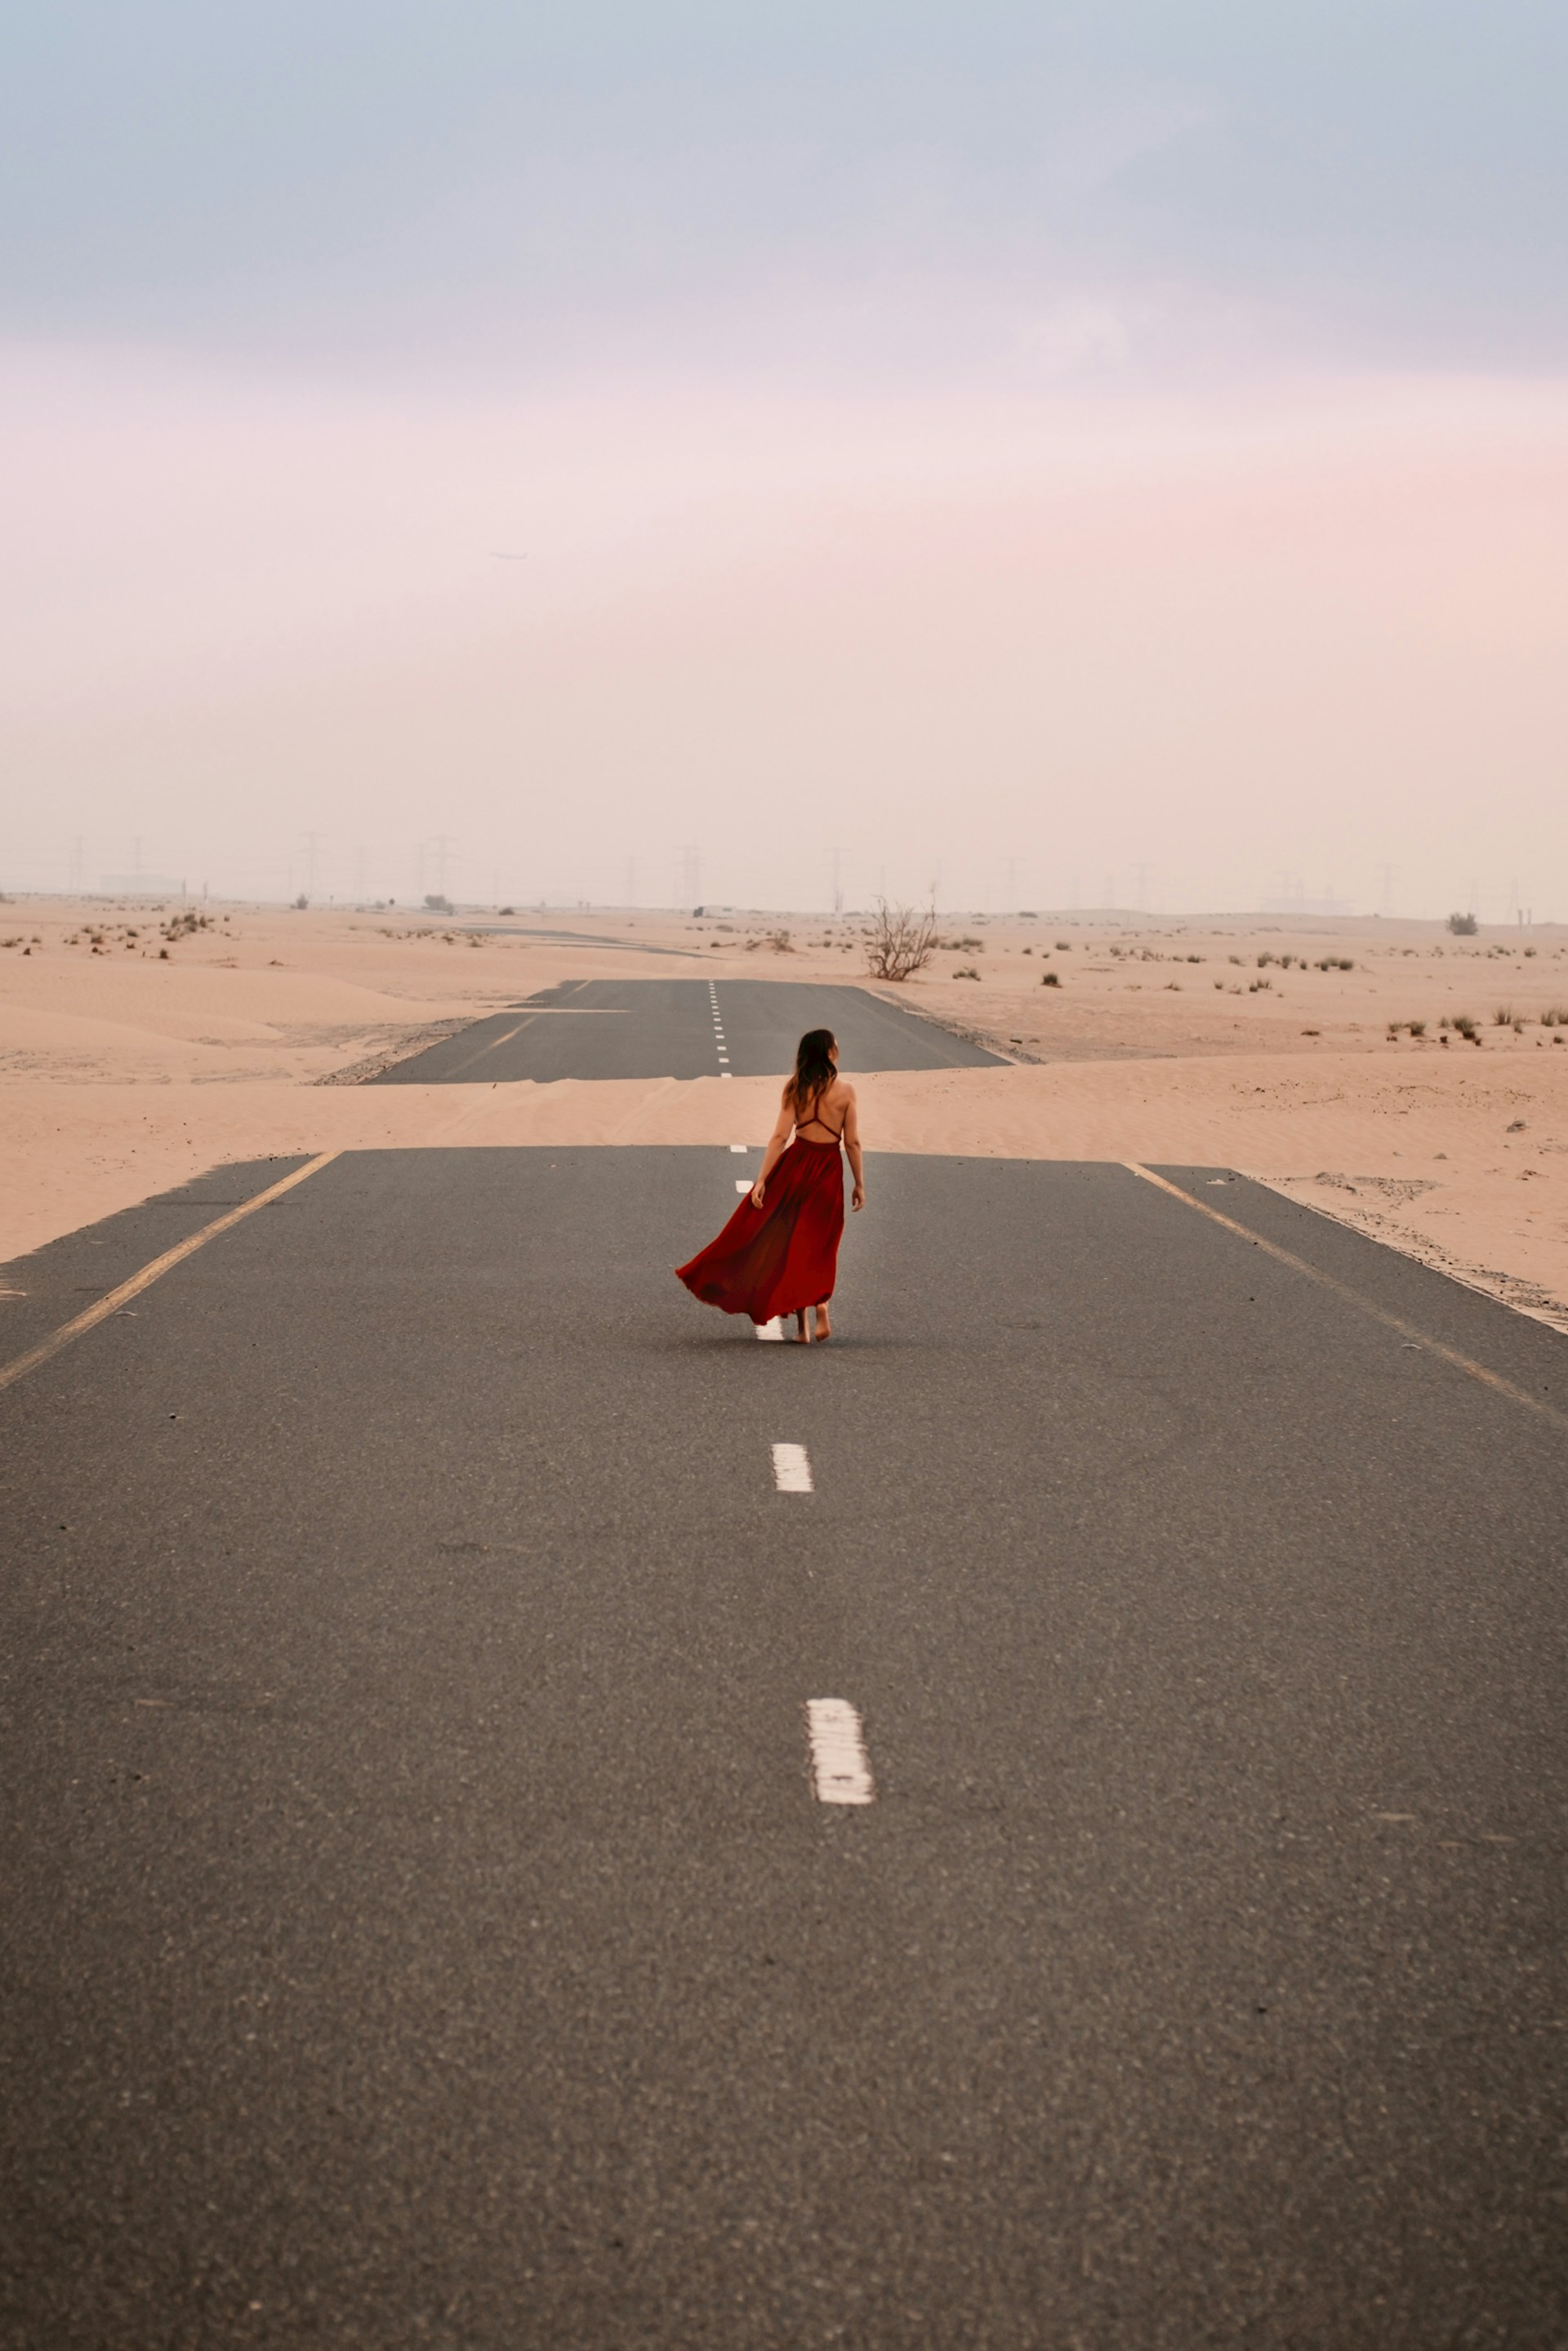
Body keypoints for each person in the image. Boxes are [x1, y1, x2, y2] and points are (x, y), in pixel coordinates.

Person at [675, 1027, 864, 1342]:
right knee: (819, 1243)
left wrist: (762, 1179)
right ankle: (821, 1306)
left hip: (794, 1167)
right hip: (827, 1170)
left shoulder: (795, 1088)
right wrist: (859, 1182)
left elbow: (779, 1137)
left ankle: (803, 1329)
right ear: (829, 1053)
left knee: (791, 1242)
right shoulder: (846, 1091)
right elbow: (853, 1142)